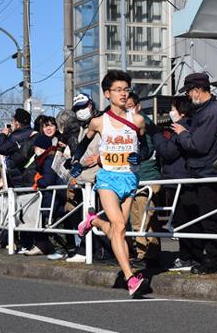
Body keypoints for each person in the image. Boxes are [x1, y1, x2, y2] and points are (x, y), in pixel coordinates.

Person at [70, 69, 150, 296]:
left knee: (118, 230)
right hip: (107, 179)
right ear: (107, 94)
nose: (123, 94)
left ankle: (94, 222)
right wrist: (75, 162)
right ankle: (130, 277)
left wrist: (140, 156)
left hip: (130, 178)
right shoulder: (98, 122)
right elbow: (82, 146)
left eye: (126, 89)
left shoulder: (137, 120)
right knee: (120, 227)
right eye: (118, 90)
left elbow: (145, 147)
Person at [172, 72, 217, 274]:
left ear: (197, 90)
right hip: (200, 171)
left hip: (208, 172)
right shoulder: (205, 110)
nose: (187, 96)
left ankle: (213, 260)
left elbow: (198, 145)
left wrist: (182, 133)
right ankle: (205, 257)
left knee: (209, 218)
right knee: (199, 216)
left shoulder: (212, 112)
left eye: (188, 91)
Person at [61, 94, 112, 263]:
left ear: (91, 104)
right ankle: (88, 250)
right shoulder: (84, 125)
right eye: (77, 109)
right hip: (86, 179)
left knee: (101, 217)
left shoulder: (100, 122)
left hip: (98, 177)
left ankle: (104, 252)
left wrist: (80, 161)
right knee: (88, 218)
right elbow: (82, 151)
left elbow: (91, 153)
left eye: (83, 106)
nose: (80, 111)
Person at [148, 96, 196, 271]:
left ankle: (186, 258)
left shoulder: (181, 128)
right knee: (189, 220)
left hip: (180, 178)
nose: (170, 112)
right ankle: (190, 257)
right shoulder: (192, 124)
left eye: (173, 108)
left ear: (181, 111)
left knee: (184, 220)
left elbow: (168, 151)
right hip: (184, 177)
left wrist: (156, 135)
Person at [126, 92, 162, 268]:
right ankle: (142, 253)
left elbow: (147, 149)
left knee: (147, 217)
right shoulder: (127, 125)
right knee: (136, 218)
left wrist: (136, 157)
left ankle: (151, 254)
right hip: (134, 176)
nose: (128, 109)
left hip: (148, 176)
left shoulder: (144, 123)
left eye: (131, 105)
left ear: (138, 106)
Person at [0, 108, 37, 187]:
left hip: (19, 177)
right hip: (31, 174)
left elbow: (0, 148)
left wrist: (3, 134)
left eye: (13, 121)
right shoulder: (32, 133)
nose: (12, 124)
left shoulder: (16, 136)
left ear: (17, 123)